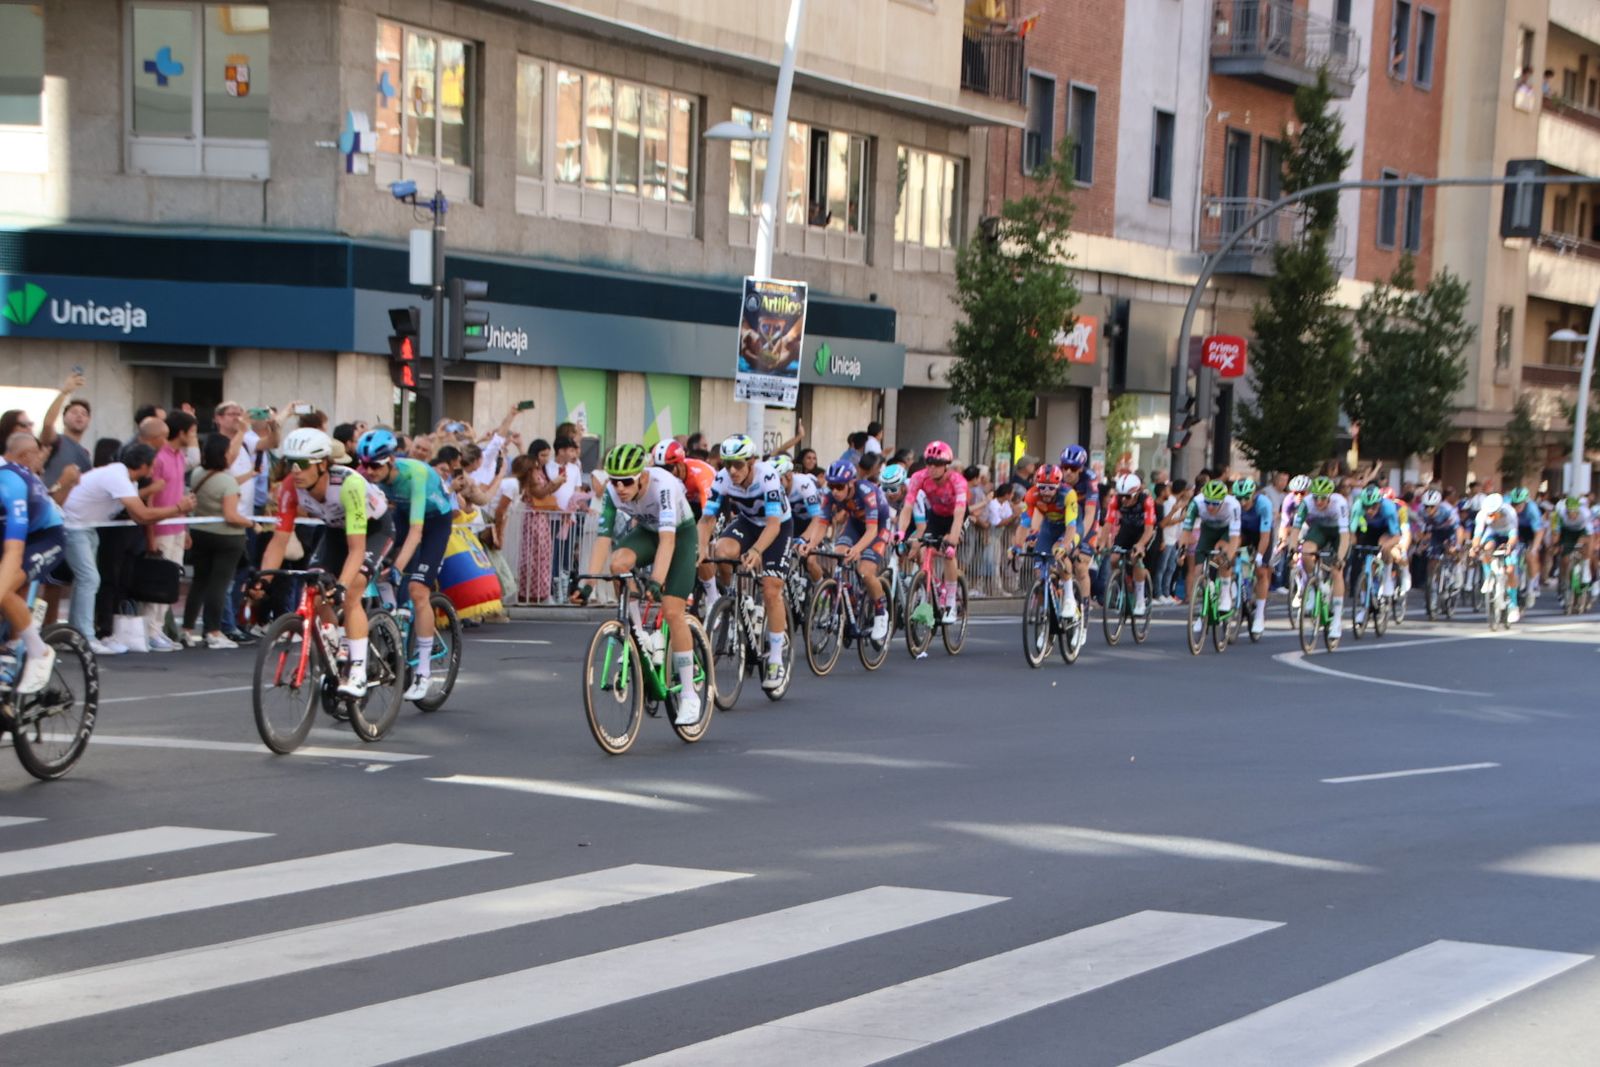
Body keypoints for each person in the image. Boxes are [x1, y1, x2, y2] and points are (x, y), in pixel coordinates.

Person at [575, 444, 703, 726]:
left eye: (627, 482)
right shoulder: (612, 491)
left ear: (642, 476)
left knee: (671, 610)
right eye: (614, 481)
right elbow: (603, 540)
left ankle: (690, 695)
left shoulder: (664, 485)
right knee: (618, 563)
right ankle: (637, 632)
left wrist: (657, 581)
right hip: (647, 532)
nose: (620, 488)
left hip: (679, 536)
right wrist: (588, 585)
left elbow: (668, 541)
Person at [256, 429, 391, 695]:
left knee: (350, 592)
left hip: (374, 530)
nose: (295, 470)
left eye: (303, 463)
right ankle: (339, 648)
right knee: (315, 593)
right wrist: (263, 580)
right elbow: (279, 541)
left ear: (323, 464)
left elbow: (356, 549)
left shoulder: (348, 484)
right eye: (289, 462)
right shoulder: (289, 488)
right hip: (334, 532)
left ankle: (358, 672)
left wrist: (341, 584)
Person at [62, 442, 193, 654]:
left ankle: (75, 633)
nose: (152, 471)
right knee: (90, 579)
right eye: (151, 466)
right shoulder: (118, 476)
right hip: (74, 527)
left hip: (86, 527)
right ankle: (84, 636)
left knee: (85, 580)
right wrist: (178, 508)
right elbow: (142, 515)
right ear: (142, 464)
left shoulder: (126, 481)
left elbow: (137, 515)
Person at [356, 428, 455, 700]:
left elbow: (415, 533)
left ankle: (423, 671)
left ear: (390, 460)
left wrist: (399, 567)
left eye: (374, 465)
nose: (368, 471)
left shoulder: (415, 475)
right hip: (401, 511)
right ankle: (390, 612)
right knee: (376, 568)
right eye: (364, 465)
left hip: (435, 521)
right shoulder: (367, 475)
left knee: (417, 591)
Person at [699, 434, 794, 691]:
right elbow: (707, 519)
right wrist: (700, 548)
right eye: (728, 463)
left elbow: (773, 525)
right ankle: (733, 598)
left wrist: (756, 550)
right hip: (749, 522)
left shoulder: (767, 476)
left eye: (738, 464)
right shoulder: (722, 478)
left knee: (772, 587)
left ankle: (775, 659)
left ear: (751, 462)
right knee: (721, 550)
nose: (732, 470)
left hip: (777, 526)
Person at [0, 433, 66, 693]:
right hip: (8, 534)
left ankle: (38, 651)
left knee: (5, 588)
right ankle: (10, 643)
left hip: (43, 537)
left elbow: (14, 552)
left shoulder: (10, 483)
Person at [798, 460, 891, 641]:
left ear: (851, 484)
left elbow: (872, 531)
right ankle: (847, 595)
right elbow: (822, 523)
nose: (835, 491)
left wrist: (857, 549)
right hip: (855, 524)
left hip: (878, 526)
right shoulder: (829, 494)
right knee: (837, 555)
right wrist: (810, 544)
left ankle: (881, 611)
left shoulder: (866, 492)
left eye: (840, 487)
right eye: (832, 486)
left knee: (864, 570)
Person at [182, 433, 253, 648]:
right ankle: (213, 631)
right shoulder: (228, 482)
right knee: (219, 586)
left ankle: (186, 628)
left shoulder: (197, 473)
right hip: (227, 538)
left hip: (200, 533)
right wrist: (251, 524)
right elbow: (231, 516)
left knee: (199, 583)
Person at [143, 411, 198, 652]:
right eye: (192, 431)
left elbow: (178, 493)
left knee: (170, 582)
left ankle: (157, 630)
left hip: (176, 526)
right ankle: (149, 632)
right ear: (182, 432)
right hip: (162, 527)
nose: (194, 436)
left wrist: (184, 528)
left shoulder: (178, 456)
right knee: (156, 582)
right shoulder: (160, 458)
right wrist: (151, 534)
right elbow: (151, 498)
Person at [898, 441, 969, 624]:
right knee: (922, 546)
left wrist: (953, 539)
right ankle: (928, 586)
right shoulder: (918, 477)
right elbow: (907, 507)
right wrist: (900, 532)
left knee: (948, 553)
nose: (932, 468)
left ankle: (951, 603)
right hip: (937, 516)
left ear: (946, 466)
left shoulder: (957, 481)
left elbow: (960, 512)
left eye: (937, 464)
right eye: (929, 463)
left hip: (956, 516)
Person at [1287, 476, 1352, 639]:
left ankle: (1336, 618)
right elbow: (1295, 529)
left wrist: (1340, 558)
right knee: (1306, 551)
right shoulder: (1307, 502)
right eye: (1316, 497)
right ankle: (1313, 585)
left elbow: (1345, 536)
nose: (1319, 502)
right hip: (1320, 529)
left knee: (1337, 571)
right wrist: (1292, 549)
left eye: (1323, 498)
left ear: (1330, 496)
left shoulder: (1340, 504)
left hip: (1338, 532)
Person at [1181, 480, 1242, 635]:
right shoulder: (1196, 502)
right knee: (1198, 571)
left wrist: (1229, 556)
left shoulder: (1233, 505)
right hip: (1207, 530)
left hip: (1226, 531)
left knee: (1221, 555)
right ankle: (1204, 611)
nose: (1210, 507)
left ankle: (1226, 593)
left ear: (1223, 500)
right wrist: (1182, 549)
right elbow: (1186, 531)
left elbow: (1235, 537)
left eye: (1215, 504)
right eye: (1208, 502)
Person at [1103, 473, 1157, 619]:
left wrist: (1140, 545)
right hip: (1127, 529)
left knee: (1136, 559)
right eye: (1121, 496)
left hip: (1144, 531)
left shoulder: (1147, 501)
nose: (1124, 500)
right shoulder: (1116, 500)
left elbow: (1149, 529)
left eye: (1128, 496)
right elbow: (1108, 523)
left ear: (1137, 493)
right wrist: (1101, 542)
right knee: (1114, 558)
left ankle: (1140, 599)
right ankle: (1122, 585)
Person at [518, 439, 559, 604]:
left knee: (543, 555)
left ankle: (541, 591)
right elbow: (539, 493)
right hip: (534, 516)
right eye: (543, 455)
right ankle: (531, 592)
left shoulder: (541, 471)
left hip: (542, 516)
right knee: (534, 555)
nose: (545, 459)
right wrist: (554, 485)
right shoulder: (532, 472)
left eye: (547, 455)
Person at [1470, 491, 1523, 622]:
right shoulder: (1482, 515)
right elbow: (1477, 535)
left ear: (1500, 510)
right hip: (1493, 533)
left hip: (1507, 536)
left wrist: (1509, 547)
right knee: (1486, 548)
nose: (1491, 516)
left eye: (1493, 513)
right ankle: (1489, 576)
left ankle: (1513, 605)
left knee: (1510, 570)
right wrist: (1475, 548)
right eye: (1489, 514)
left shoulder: (1510, 513)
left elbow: (1513, 537)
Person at [1232, 477, 1275, 636]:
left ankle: (1259, 614)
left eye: (1246, 498)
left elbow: (1265, 536)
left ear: (1254, 495)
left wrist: (1259, 556)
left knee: (1261, 572)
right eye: (1239, 498)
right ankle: (1232, 583)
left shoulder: (1264, 504)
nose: (1242, 502)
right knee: (1230, 553)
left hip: (1262, 534)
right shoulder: (1234, 504)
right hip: (1244, 532)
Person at [40, 372, 91, 488]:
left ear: (88, 421)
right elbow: (48, 424)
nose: (79, 416)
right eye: (74, 412)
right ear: (63, 419)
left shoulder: (85, 454)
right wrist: (64, 393)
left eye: (84, 414)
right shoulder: (56, 441)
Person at [1507, 487, 1544, 608]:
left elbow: (1539, 532)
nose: (1517, 507)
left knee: (1531, 556)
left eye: (1520, 504)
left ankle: (1531, 588)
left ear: (1525, 502)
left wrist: (1534, 549)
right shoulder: (1507, 505)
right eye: (1515, 504)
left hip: (1531, 531)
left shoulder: (1532, 509)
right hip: (1515, 530)